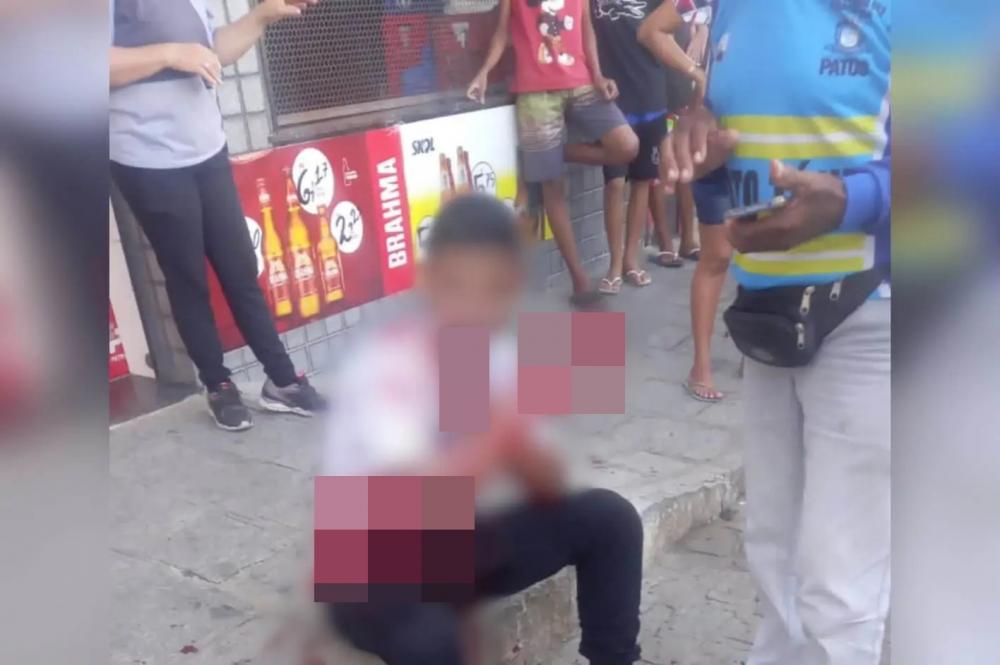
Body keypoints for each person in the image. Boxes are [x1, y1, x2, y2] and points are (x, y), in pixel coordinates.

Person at [657, 2, 892, 664]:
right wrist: (700, 157)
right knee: (771, 550)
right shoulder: (735, 9)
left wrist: (848, 201)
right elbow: (726, 185)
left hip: (874, 312)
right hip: (771, 320)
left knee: (838, 586)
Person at [323, 195, 644, 665]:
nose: (473, 306)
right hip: (370, 560)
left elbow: (547, 482)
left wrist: (525, 439)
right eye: (457, 285)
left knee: (611, 519)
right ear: (429, 281)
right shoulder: (386, 363)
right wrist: (497, 434)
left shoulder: (497, 354)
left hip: (464, 538)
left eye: (492, 288)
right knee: (436, 641)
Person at [109, 0, 327, 431]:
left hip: (206, 148)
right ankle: (218, 385)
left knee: (240, 266)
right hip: (148, 157)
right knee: (187, 275)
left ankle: (283, 382)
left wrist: (261, 16)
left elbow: (211, 50)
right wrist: (170, 53)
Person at [467, 0, 640, 307]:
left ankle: (547, 155)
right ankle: (579, 281)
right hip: (536, 94)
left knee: (627, 146)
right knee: (552, 187)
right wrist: (484, 72)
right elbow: (502, 32)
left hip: (582, 84)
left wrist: (598, 75)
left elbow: (586, 29)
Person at [639, 1, 728, 402]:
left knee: (773, 250)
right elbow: (651, 30)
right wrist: (698, 72)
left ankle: (762, 350)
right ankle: (701, 367)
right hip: (718, 137)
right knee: (717, 256)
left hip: (784, 140)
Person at [589, 0, 706, 294]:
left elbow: (675, 22)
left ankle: (631, 259)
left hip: (650, 92)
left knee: (642, 181)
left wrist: (702, 29)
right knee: (615, 182)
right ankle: (614, 264)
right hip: (612, 94)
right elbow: (585, 30)